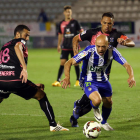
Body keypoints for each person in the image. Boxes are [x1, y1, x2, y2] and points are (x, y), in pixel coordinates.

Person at [70, 12, 135, 127]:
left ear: (113, 23)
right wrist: (76, 53)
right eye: (105, 23)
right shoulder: (93, 32)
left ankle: (79, 114)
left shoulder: (116, 34)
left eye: (109, 23)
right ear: (101, 22)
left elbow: (132, 42)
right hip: (89, 74)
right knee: (93, 102)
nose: (107, 25)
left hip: (104, 75)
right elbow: (76, 38)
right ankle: (77, 109)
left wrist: (125, 42)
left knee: (97, 103)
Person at [0, 25, 69, 132]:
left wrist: (31, 83)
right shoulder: (20, 42)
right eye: (26, 35)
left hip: (2, 80)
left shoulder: (5, 45)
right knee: (41, 95)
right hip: (15, 81)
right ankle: (53, 125)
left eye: (28, 36)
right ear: (18, 34)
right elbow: (17, 47)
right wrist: (24, 68)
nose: (27, 38)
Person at [61, 35, 136, 131]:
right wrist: (67, 77)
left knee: (109, 102)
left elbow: (126, 65)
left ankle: (104, 122)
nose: (100, 49)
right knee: (97, 100)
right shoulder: (89, 51)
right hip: (88, 80)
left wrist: (131, 76)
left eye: (103, 46)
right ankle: (94, 109)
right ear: (95, 45)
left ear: (108, 45)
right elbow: (69, 62)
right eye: (98, 46)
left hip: (103, 80)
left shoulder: (112, 51)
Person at [52, 5, 83, 87]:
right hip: (65, 46)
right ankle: (58, 80)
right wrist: (58, 45)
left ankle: (78, 80)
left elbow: (81, 31)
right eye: (67, 11)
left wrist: (80, 38)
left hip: (74, 47)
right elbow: (60, 35)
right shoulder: (61, 23)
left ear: (71, 12)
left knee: (76, 63)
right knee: (62, 62)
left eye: (69, 11)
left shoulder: (75, 22)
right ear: (64, 13)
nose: (68, 13)